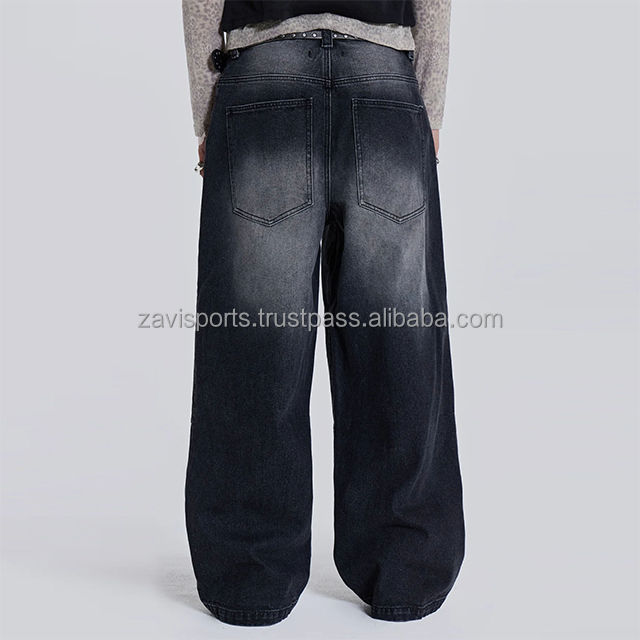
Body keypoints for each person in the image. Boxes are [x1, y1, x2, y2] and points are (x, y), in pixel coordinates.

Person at [182, 0, 465, 627]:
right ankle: (404, 567)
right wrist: (428, 109)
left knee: (253, 345)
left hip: (262, 79)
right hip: (384, 81)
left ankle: (248, 577)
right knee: (397, 342)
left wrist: (208, 108)